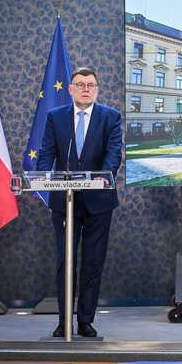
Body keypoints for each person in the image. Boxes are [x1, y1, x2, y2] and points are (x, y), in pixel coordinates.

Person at [37, 67, 122, 338]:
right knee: (66, 261)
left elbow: (113, 154)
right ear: (71, 89)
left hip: (99, 200)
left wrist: (103, 177)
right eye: (80, 84)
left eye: (91, 85)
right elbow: (47, 152)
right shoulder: (55, 117)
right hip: (65, 201)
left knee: (92, 263)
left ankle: (85, 320)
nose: (86, 89)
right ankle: (64, 321)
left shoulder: (111, 117)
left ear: (97, 89)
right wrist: (41, 178)